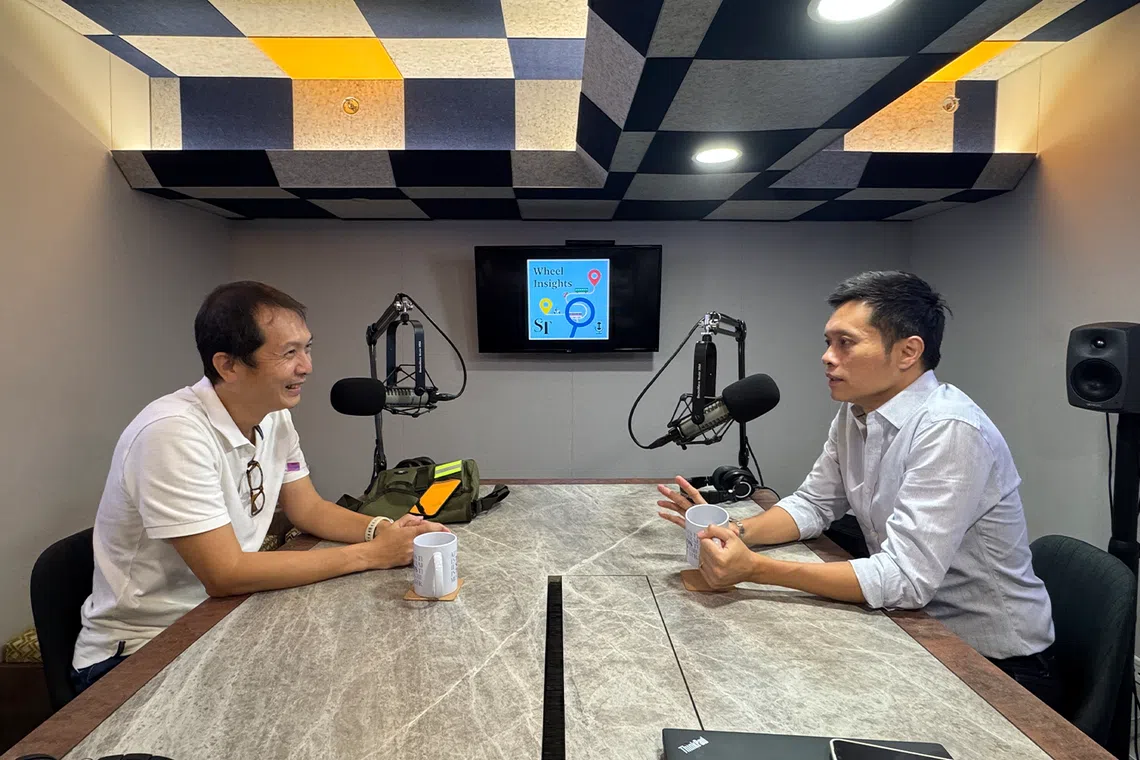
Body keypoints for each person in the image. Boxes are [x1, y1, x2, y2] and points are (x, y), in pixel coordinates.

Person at [655, 271, 1062, 710]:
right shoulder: (856, 413)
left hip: (994, 665)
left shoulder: (950, 429)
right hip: (911, 628)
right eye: (828, 342)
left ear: (908, 352)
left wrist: (753, 569)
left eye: (845, 343)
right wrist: (737, 531)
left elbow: (905, 579)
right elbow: (814, 504)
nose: (827, 357)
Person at [71, 281, 446, 693]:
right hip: (141, 654)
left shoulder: (274, 415)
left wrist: (384, 530)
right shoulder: (171, 433)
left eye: (307, 348)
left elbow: (308, 509)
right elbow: (225, 574)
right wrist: (372, 555)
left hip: (222, 618)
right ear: (228, 365)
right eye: (289, 353)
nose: (306, 366)